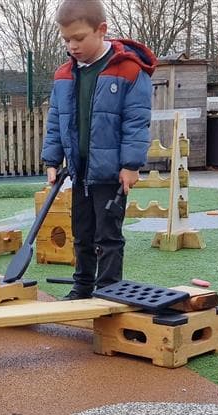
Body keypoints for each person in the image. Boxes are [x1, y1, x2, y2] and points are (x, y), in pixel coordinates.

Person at [42, 0, 155, 300]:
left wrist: (131, 165)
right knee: (82, 233)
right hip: (79, 171)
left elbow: (136, 120)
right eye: (67, 39)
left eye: (79, 38)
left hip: (110, 172)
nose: (72, 46)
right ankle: (82, 287)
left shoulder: (129, 69)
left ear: (101, 30)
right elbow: (56, 119)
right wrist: (52, 159)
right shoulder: (64, 74)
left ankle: (107, 292)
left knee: (108, 236)